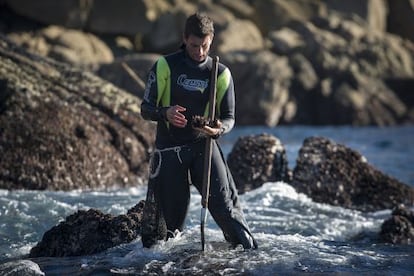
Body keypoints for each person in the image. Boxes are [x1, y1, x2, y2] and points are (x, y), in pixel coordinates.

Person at [140, 12, 257, 250]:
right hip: (170, 151)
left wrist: (219, 129)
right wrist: (165, 113)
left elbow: (230, 117)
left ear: (211, 40)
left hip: (203, 147)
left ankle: (249, 259)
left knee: (227, 212)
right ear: (185, 38)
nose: (200, 52)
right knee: (171, 230)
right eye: (194, 45)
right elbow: (145, 109)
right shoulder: (165, 66)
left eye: (204, 46)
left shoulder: (220, 73)